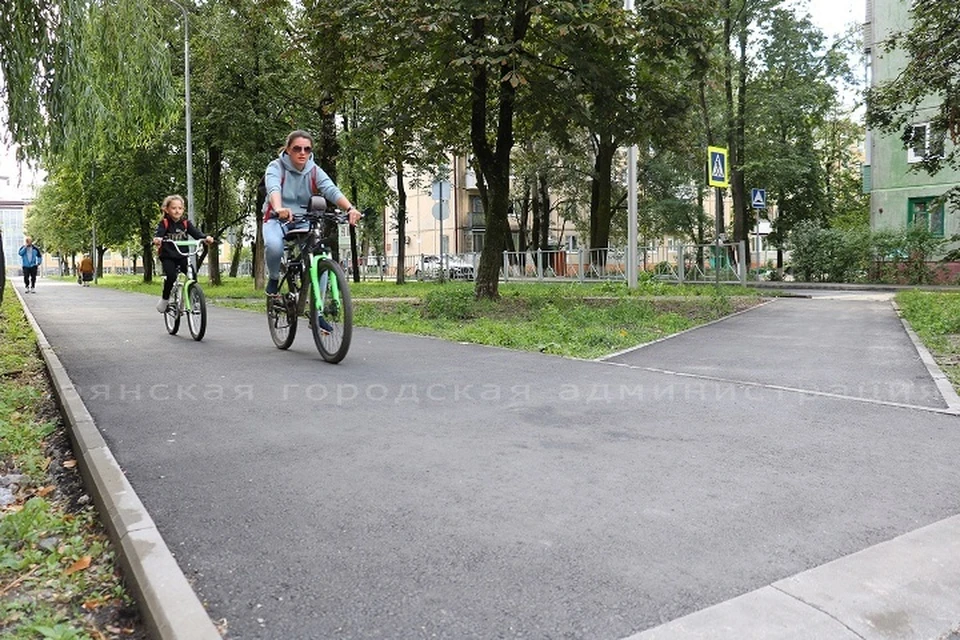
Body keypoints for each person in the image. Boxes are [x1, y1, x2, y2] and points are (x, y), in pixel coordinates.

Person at [262, 130, 361, 297]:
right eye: (297, 148)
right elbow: (273, 188)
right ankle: (273, 278)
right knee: (273, 246)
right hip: (277, 219)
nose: (302, 153)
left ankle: (318, 311)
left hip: (303, 220)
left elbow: (331, 190)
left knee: (320, 255)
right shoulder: (275, 167)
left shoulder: (314, 170)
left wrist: (350, 208)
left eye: (307, 149)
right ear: (287, 149)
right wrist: (279, 208)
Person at [152, 195, 214, 312]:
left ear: (183, 210)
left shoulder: (185, 224)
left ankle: (192, 299)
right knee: (171, 276)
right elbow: (159, 234)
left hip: (182, 255)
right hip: (168, 256)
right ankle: (165, 299)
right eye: (174, 208)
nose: (177, 211)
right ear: (167, 209)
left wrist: (206, 238)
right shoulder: (164, 223)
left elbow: (196, 233)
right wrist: (158, 239)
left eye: (180, 208)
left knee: (192, 275)